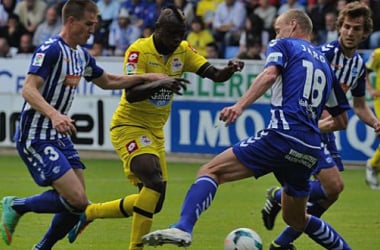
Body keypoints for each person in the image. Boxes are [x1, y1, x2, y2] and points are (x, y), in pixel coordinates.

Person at [142, 9, 352, 250]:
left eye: (277, 28)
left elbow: (269, 74)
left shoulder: (283, 44)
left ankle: (182, 228)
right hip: (310, 148)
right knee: (295, 219)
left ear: (293, 26)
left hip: (281, 135)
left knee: (211, 170)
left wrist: (239, 106)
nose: (276, 33)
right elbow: (342, 120)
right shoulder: (324, 63)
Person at [0, 0, 188, 249]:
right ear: (71, 21)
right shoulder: (52, 50)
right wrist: (55, 115)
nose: (92, 30)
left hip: (58, 135)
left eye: (95, 25)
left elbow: (109, 80)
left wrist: (148, 77)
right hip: (37, 133)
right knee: (76, 200)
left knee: (78, 203)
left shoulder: (80, 55)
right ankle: (15, 205)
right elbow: (28, 89)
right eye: (88, 24)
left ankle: (42, 246)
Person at [67, 5, 244, 250]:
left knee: (153, 201)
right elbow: (131, 94)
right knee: (153, 182)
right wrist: (162, 83)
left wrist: (229, 69)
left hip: (155, 132)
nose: (176, 40)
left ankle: (90, 212)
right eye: (172, 34)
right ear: (158, 30)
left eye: (180, 35)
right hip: (128, 125)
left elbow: (213, 73)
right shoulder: (139, 50)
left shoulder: (183, 50)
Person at [261, 2, 380, 249]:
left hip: (326, 130)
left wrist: (376, 122)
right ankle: (279, 198)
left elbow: (359, 106)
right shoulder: (323, 53)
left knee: (331, 193)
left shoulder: (358, 65)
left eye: (356, 28)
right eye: (346, 26)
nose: (349, 32)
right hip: (308, 129)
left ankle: (281, 241)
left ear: (364, 33)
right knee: (334, 186)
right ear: (339, 27)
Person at [365, 47, 380, 189]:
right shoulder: (378, 54)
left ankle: (375, 166)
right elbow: (366, 71)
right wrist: (370, 89)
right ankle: (372, 165)